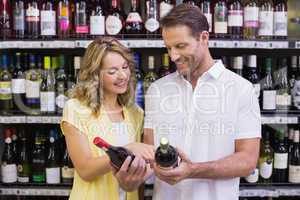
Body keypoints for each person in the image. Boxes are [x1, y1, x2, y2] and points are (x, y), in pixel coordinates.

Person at [143, 4, 261, 200]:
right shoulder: (158, 90)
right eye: (169, 48)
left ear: (204, 38)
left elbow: (247, 161)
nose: (173, 56)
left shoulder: (241, 89)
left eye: (181, 46)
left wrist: (193, 170)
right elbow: (149, 152)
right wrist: (129, 173)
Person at [61, 37, 154, 200]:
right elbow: (85, 170)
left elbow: (139, 175)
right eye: (112, 71)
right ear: (95, 75)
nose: (123, 75)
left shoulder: (135, 112)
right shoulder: (75, 109)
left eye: (125, 67)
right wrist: (128, 149)